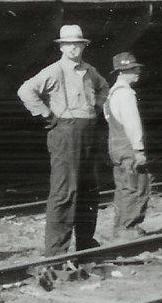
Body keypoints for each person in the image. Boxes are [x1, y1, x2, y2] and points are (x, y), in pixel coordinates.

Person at [17, 25, 109, 256]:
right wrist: (46, 113)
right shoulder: (55, 70)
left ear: (83, 46)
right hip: (66, 131)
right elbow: (26, 91)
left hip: (88, 130)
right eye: (68, 44)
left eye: (77, 44)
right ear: (61, 47)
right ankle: (57, 252)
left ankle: (86, 243)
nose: (73, 48)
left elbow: (104, 88)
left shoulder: (89, 70)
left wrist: (97, 106)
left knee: (89, 190)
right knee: (65, 191)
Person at [104, 52, 151, 241]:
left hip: (116, 147)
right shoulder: (126, 95)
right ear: (122, 72)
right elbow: (132, 124)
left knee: (124, 187)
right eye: (134, 69)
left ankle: (121, 226)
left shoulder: (112, 93)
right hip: (128, 147)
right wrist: (139, 149)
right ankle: (128, 227)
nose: (138, 71)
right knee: (137, 186)